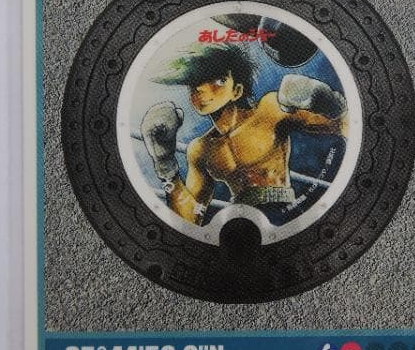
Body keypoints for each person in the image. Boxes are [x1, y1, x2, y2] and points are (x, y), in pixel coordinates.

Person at [140, 43, 347, 225]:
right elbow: (190, 219)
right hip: (239, 223)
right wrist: (165, 164)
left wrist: (327, 101)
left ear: (237, 90)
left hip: (286, 213)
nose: (202, 89)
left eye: (218, 81)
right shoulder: (201, 149)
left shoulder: (270, 109)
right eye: (195, 83)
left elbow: (344, 126)